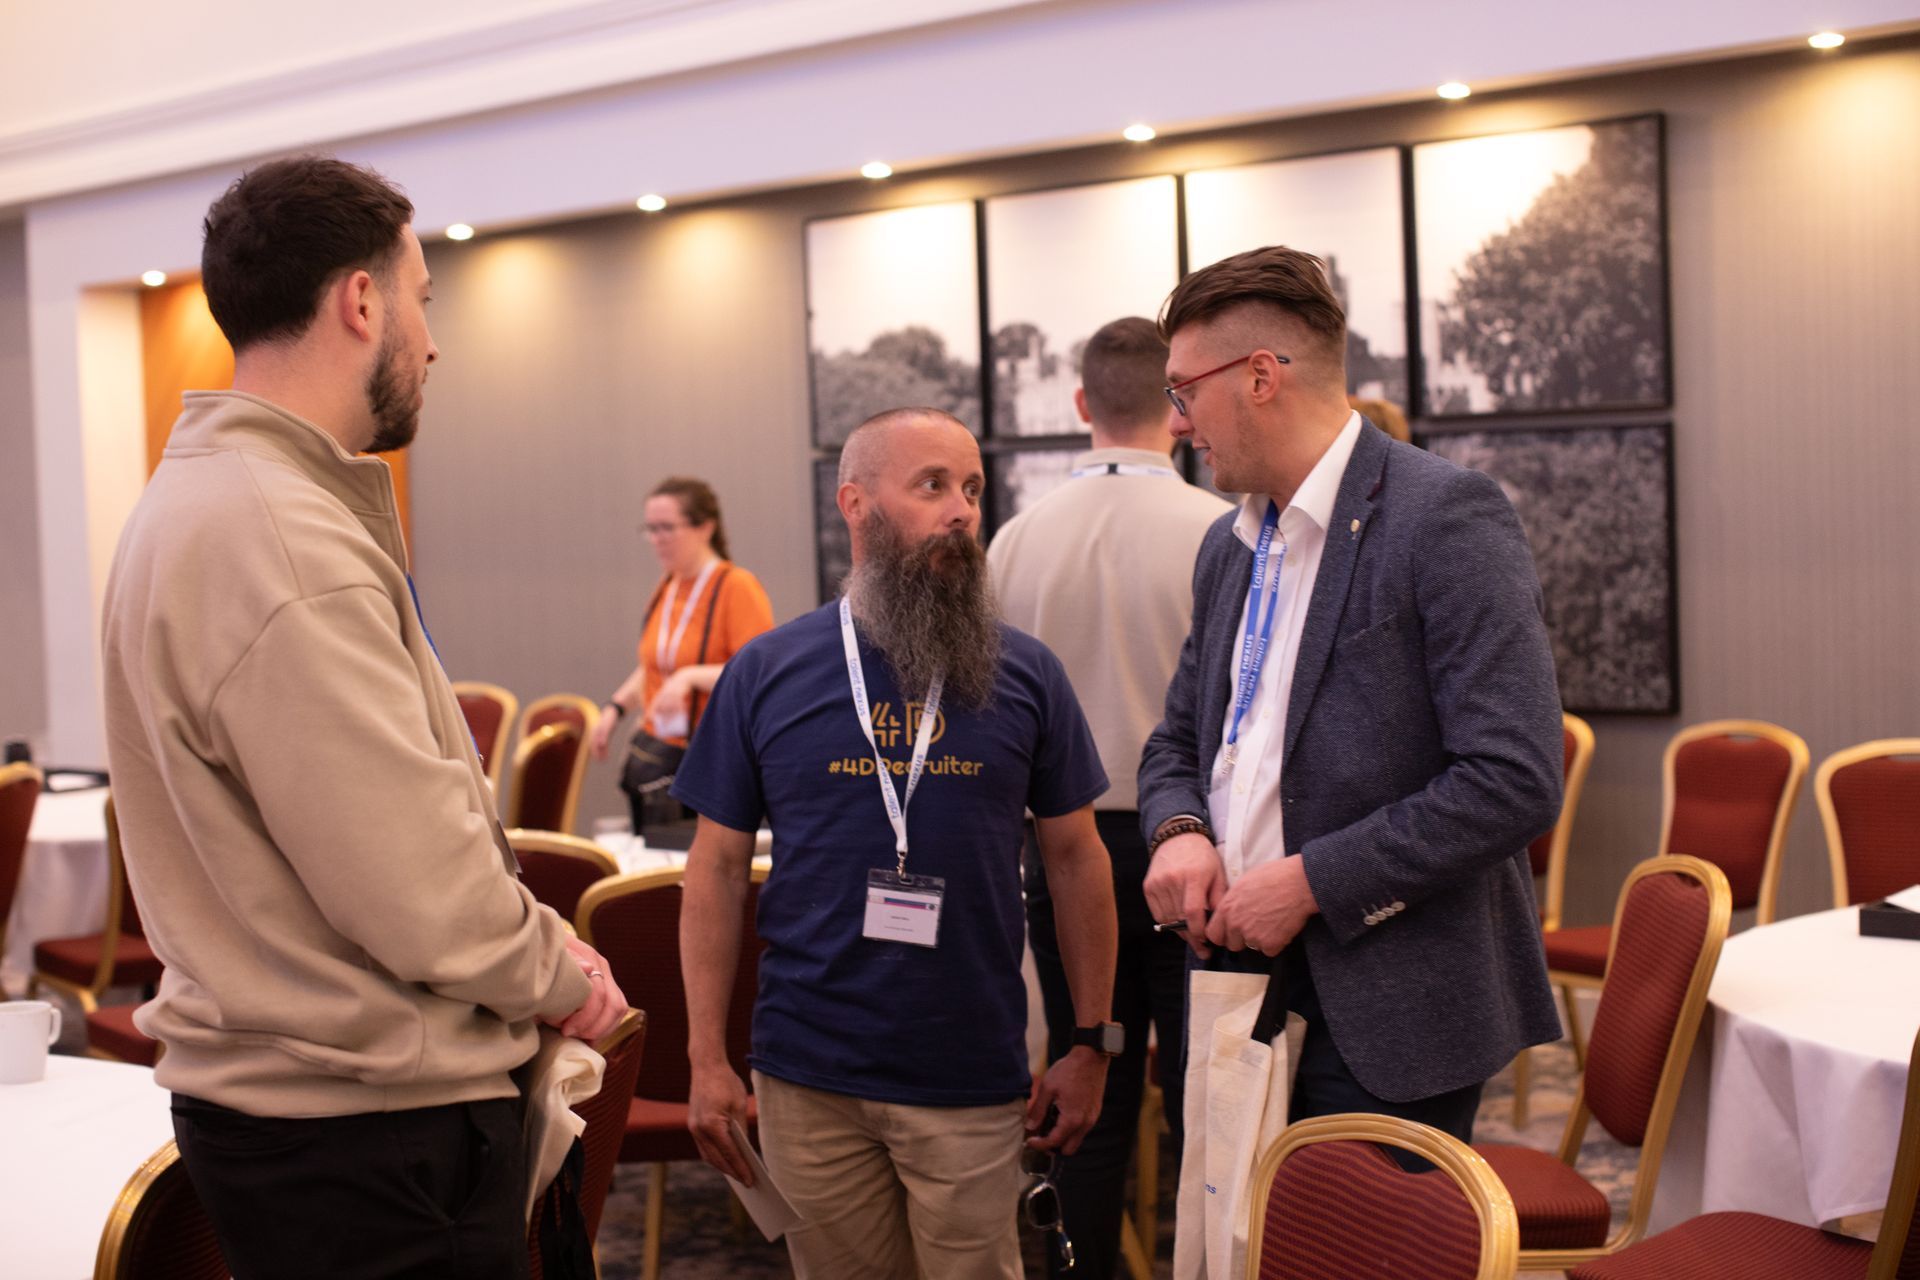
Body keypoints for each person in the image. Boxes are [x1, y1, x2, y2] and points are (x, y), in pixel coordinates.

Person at [99, 156, 628, 1280]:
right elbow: (416, 885)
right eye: (424, 298)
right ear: (359, 300)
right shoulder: (279, 535)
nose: (432, 342)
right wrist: (563, 970)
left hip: (311, 1115)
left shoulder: (204, 500)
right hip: (364, 1127)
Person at [675, 408, 1120, 1279]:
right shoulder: (768, 671)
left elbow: (1076, 861)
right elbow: (717, 869)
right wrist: (704, 1059)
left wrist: (1091, 1041)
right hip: (809, 1074)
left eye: (972, 490)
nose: (961, 510)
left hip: (971, 1072)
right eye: (932, 486)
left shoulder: (1025, 674)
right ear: (856, 503)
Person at [1138, 245, 1564, 1155]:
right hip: (1233, 980)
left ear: (1260, 376)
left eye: (1184, 392)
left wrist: (1309, 883)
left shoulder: (1445, 517)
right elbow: (1177, 738)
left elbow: (1513, 779)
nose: (1176, 424)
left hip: (1393, 998)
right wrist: (1178, 833)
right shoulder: (1230, 545)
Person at [987, 316, 1229, 1279]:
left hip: (1060, 849)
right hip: (1197, 851)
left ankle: (1079, 1267)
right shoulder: (1223, 533)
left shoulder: (1012, 540)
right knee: (1209, 1091)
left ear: (1080, 405)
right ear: (1175, 411)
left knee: (1089, 1079)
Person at [589, 475, 774, 833]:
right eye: (651, 528)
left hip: (708, 760)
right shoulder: (668, 585)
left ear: (705, 528)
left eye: (667, 528)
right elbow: (655, 664)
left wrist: (688, 677)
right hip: (658, 754)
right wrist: (616, 707)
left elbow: (758, 672)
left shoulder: (736, 586)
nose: (656, 539)